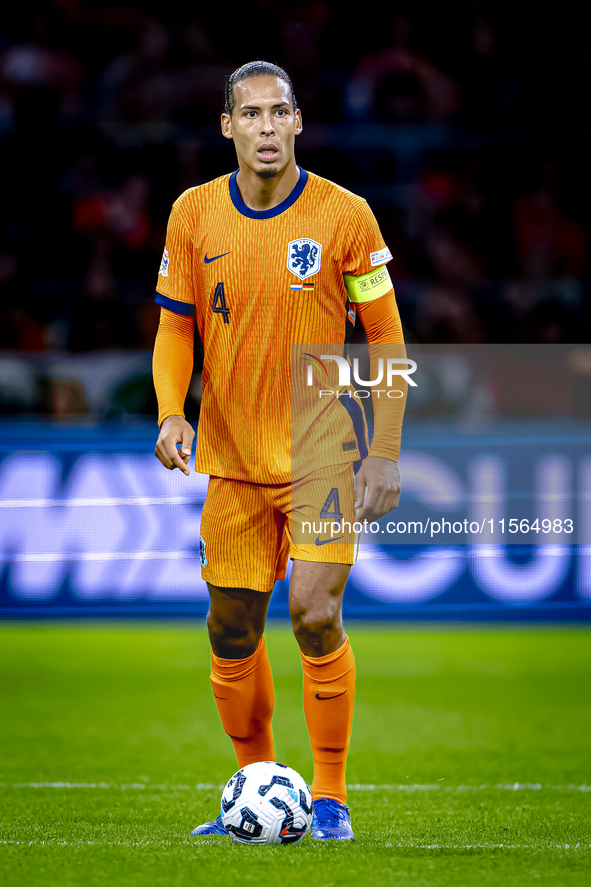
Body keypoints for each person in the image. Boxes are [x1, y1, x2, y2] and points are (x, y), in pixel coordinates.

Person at [152, 60, 406, 841]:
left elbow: (385, 336)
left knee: (313, 612)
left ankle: (327, 799)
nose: (267, 127)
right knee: (231, 630)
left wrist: (385, 451)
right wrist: (169, 411)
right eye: (251, 114)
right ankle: (255, 785)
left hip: (322, 450)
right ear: (227, 126)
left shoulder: (345, 215)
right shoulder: (193, 215)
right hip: (229, 459)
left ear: (299, 121)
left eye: (280, 112)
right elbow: (175, 326)